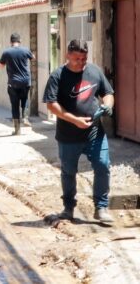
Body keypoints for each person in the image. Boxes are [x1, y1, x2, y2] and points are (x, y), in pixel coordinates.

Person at [42, 40, 115, 224]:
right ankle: (68, 208)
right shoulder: (57, 76)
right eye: (76, 58)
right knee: (68, 172)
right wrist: (74, 120)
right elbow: (51, 104)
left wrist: (107, 105)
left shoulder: (94, 71)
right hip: (68, 136)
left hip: (95, 133)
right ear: (67, 55)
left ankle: (101, 207)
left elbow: (108, 93)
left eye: (83, 58)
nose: (80, 62)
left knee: (103, 166)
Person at [0, 33, 35, 135]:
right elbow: (33, 58)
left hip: (13, 83)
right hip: (25, 82)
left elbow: (1, 65)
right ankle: (25, 117)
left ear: (11, 42)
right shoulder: (25, 50)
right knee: (25, 99)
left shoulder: (6, 52)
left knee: (15, 105)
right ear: (19, 41)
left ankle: (17, 130)